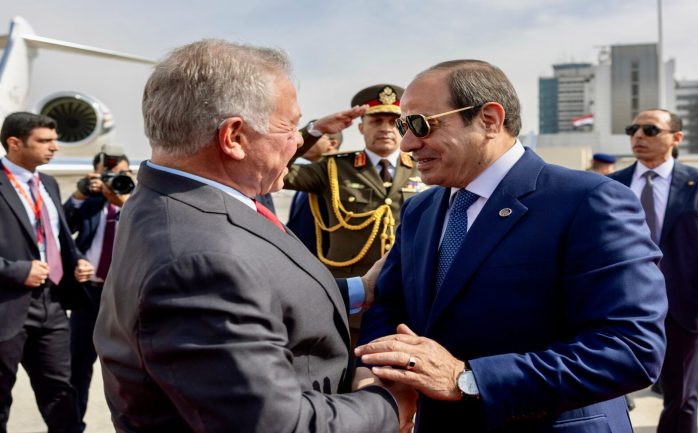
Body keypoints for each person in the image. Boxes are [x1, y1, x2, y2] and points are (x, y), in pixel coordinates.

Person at [93, 39, 415, 433]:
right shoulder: (199, 262)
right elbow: (275, 424)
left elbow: (258, 288)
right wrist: (388, 406)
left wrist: (359, 289)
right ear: (234, 137)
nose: (299, 140)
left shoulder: (174, 198)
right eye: (289, 126)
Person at [355, 60, 668, 433]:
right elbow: (389, 305)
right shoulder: (420, 209)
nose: (407, 144)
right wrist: (379, 377)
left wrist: (467, 380)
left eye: (422, 124)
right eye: (404, 127)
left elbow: (631, 348)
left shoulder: (587, 201)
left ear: (489, 120)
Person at [609, 108, 698, 433]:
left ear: (676, 137)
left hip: (686, 308)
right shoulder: (610, 185)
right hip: (618, 307)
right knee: (608, 391)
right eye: (633, 129)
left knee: (682, 397)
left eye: (649, 130)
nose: (638, 135)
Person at [283, 84, 427, 344]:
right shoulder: (333, 167)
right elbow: (279, 168)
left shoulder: (425, 168)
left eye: (393, 121)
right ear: (361, 128)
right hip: (349, 300)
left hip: (406, 297)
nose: (385, 128)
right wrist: (315, 131)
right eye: (376, 121)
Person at [0, 112, 94, 433]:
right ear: (15, 143)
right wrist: (16, 271)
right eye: (44, 141)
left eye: (54, 140)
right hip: (6, 306)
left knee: (62, 395)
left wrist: (77, 261)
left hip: (52, 305)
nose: (55, 147)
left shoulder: (48, 183)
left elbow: (56, 238)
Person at [63, 145, 134, 432]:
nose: (116, 180)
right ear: (96, 175)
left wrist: (124, 203)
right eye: (109, 175)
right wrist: (79, 194)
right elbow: (61, 229)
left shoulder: (139, 204)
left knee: (130, 370)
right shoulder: (90, 202)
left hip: (124, 298)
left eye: (123, 174)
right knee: (77, 367)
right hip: (89, 296)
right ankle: (73, 425)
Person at [286, 128, 342, 252]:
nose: (304, 142)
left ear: (332, 144)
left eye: (316, 137)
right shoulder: (306, 175)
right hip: (299, 253)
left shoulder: (340, 177)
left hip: (324, 257)